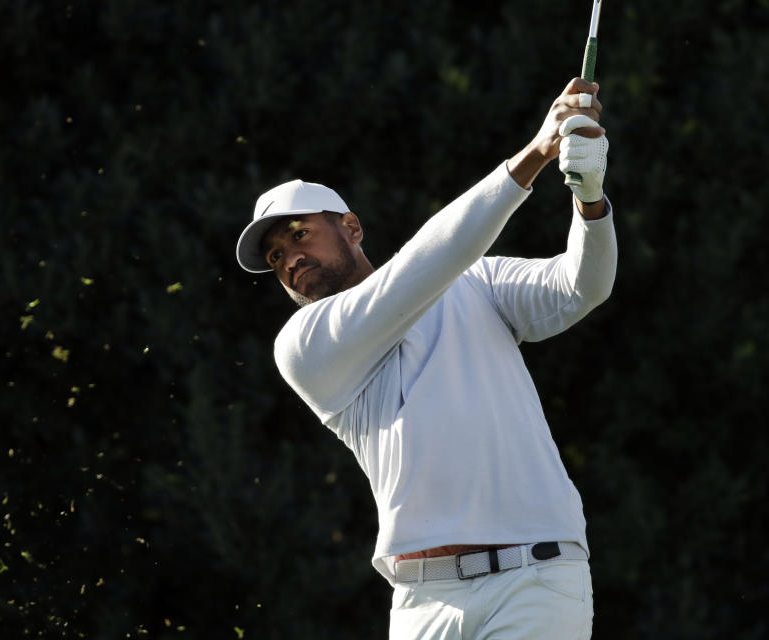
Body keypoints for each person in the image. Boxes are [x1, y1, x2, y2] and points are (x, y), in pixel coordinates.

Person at [235, 78, 616, 640]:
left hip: (536, 582)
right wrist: (537, 152)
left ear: (352, 228)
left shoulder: (476, 281)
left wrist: (590, 199)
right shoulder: (303, 346)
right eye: (276, 256)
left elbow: (582, 288)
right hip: (421, 603)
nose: (290, 259)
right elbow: (424, 268)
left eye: (300, 235)